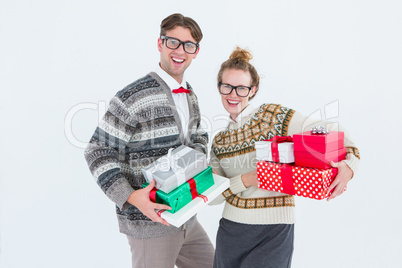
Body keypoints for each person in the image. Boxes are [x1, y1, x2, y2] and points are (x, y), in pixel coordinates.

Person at [209, 47, 360, 268]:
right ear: (219, 88)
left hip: (274, 231)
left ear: (253, 90)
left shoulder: (273, 116)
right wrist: (246, 180)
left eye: (241, 88)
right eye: (227, 86)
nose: (233, 94)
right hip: (230, 231)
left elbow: (329, 130)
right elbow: (213, 196)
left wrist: (350, 164)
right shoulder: (219, 140)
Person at [84, 13, 214, 268]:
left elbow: (198, 135)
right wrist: (131, 197)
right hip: (150, 224)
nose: (180, 51)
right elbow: (97, 150)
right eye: (173, 42)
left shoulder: (190, 94)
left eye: (189, 45)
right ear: (160, 44)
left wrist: (194, 162)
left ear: (196, 52)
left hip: (186, 218)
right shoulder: (133, 95)